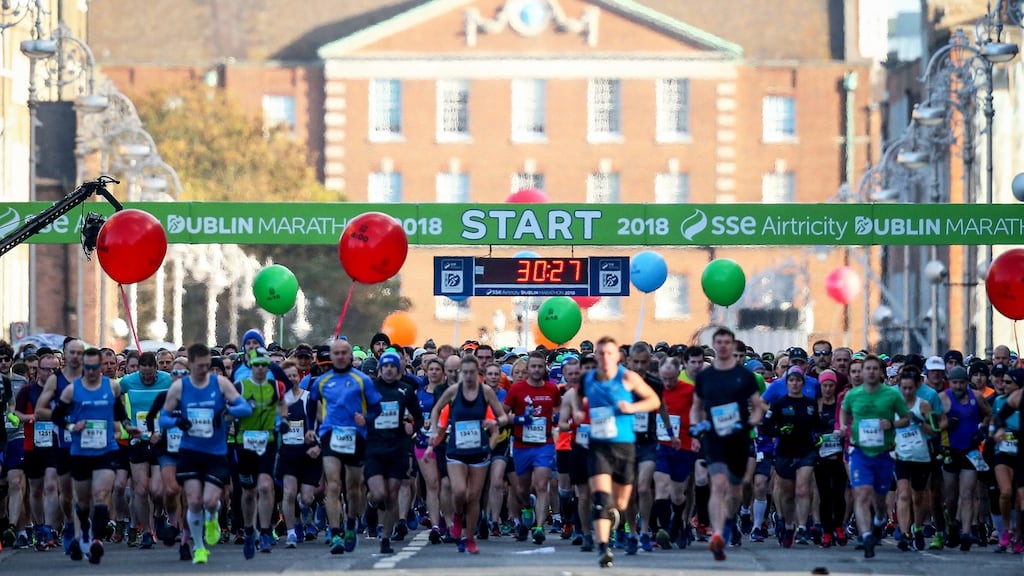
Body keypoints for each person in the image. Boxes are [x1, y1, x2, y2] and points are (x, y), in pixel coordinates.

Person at [570, 336, 662, 568]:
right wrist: (578, 412)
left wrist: (632, 407)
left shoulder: (628, 377)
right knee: (601, 499)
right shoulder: (588, 379)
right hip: (599, 446)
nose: (604, 358)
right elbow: (575, 398)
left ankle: (617, 516)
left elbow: (653, 401)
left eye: (609, 353)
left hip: (625, 446)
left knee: (621, 502)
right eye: (600, 354)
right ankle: (603, 548)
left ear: (618, 356)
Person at [159, 343, 253, 565]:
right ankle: (199, 548)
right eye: (200, 366)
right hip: (190, 451)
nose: (204, 370)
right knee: (193, 500)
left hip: (216, 452)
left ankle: (212, 518)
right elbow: (162, 419)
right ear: (190, 364)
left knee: (210, 501)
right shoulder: (179, 388)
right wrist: (177, 421)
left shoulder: (220, 383)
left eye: (207, 365)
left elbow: (245, 408)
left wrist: (226, 411)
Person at [50, 347, 135, 564]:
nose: (90, 371)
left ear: (100, 366)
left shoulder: (112, 386)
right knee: (83, 501)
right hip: (80, 452)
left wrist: (127, 425)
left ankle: (96, 541)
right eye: (86, 367)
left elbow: (118, 411)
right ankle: (85, 532)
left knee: (102, 494)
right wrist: (71, 426)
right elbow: (57, 416)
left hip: (106, 450)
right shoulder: (72, 390)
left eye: (94, 367)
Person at [689, 327, 764, 562]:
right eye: (718, 342)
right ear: (714, 345)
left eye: (726, 342)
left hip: (738, 438)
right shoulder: (705, 376)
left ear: (732, 346)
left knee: (735, 490)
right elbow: (696, 407)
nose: (722, 346)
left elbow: (758, 406)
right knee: (718, 484)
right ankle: (718, 534)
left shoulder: (744, 375)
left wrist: (748, 424)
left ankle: (729, 522)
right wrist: (695, 426)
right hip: (714, 437)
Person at [306, 339, 381, 555]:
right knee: (333, 485)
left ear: (350, 356)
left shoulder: (362, 380)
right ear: (331, 355)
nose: (339, 356)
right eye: (336, 353)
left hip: (356, 436)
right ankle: (336, 532)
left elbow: (376, 408)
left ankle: (350, 523)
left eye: (343, 353)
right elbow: (312, 404)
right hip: (331, 434)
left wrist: (365, 419)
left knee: (354, 487)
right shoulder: (322, 381)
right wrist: (311, 428)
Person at [428, 354, 508, 554]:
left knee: (474, 497)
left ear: (477, 373)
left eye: (473, 372)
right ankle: (457, 515)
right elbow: (436, 409)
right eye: (466, 372)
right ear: (460, 373)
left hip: (478, 450)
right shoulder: (453, 391)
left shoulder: (486, 391)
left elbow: (503, 416)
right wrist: (436, 431)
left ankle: (469, 537)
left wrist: (494, 423)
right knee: (460, 491)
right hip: (456, 450)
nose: (469, 376)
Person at [838, 355, 910, 559]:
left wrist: (893, 424)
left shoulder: (891, 395)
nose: (870, 372)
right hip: (860, 451)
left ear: (880, 372)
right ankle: (867, 535)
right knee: (861, 493)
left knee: (880, 499)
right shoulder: (853, 395)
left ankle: (879, 520)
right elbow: (844, 412)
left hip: (884, 453)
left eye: (874, 368)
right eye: (866, 368)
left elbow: (906, 418)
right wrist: (843, 426)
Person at [363, 350, 422, 555]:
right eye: (385, 366)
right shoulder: (370, 389)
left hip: (397, 447)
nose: (389, 369)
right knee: (379, 493)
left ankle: (386, 538)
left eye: (392, 366)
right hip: (374, 447)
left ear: (398, 370)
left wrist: (411, 427)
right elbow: (360, 412)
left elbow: (419, 418)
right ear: (380, 369)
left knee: (392, 494)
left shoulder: (405, 390)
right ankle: (371, 505)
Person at [233, 349, 286, 558]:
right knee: (248, 491)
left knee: (265, 486)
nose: (261, 368)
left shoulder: (274, 386)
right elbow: (228, 411)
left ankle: (265, 531)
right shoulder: (240, 386)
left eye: (265, 365)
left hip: (268, 442)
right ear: (250, 366)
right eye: (257, 365)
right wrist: (243, 409)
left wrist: (283, 421)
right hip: (244, 443)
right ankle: (248, 529)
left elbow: (282, 404)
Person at [33, 338, 85, 555]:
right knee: (66, 494)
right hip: (62, 443)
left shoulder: (92, 379)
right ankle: (69, 525)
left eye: (79, 353)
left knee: (83, 493)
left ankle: (81, 539)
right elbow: (39, 411)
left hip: (87, 443)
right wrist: (65, 418)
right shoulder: (56, 380)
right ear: (65, 355)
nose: (75, 357)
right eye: (71, 352)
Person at [503, 351, 561, 545]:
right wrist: (519, 419)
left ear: (545, 368)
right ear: (527, 370)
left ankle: (539, 527)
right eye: (533, 367)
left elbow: (558, 410)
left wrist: (556, 419)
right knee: (521, 489)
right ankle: (527, 507)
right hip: (521, 445)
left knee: (542, 485)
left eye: (540, 366)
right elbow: (503, 416)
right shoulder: (517, 390)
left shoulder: (552, 389)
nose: (536, 370)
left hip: (544, 444)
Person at [119, 351, 173, 549]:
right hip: (139, 440)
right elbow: (114, 396)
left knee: (158, 491)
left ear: (156, 369)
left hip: (160, 440)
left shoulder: (167, 380)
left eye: (150, 375)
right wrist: (125, 421)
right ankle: (147, 532)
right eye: (144, 375)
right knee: (140, 490)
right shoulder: (128, 381)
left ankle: (159, 515)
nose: (147, 378)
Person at [762, 366, 819, 547]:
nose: (795, 384)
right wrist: (779, 430)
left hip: (806, 451)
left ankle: (802, 527)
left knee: (802, 489)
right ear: (786, 384)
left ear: (803, 383)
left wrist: (829, 431)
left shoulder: (810, 404)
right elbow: (766, 426)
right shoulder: (779, 404)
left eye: (798, 380)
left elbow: (817, 423)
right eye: (791, 381)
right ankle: (787, 525)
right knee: (787, 493)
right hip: (785, 451)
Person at [940, 365, 992, 551]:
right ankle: (952, 524)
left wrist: (982, 430)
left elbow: (989, 415)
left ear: (966, 382)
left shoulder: (976, 397)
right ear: (950, 382)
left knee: (968, 493)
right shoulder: (944, 398)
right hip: (950, 452)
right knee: (951, 497)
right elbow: (932, 421)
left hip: (970, 451)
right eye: (955, 382)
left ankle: (966, 532)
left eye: (962, 382)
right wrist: (945, 425)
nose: (958, 386)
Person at [276, 360, 321, 548]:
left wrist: (318, 443)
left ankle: (305, 513)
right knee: (288, 493)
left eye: (294, 375)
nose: (292, 379)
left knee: (307, 498)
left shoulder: (309, 397)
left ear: (299, 376)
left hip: (308, 453)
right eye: (288, 376)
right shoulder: (279, 400)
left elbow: (322, 422)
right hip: (288, 453)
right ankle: (292, 532)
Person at [892, 368, 937, 552]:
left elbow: (934, 430)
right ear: (899, 387)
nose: (907, 392)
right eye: (904, 388)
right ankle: (904, 533)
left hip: (920, 456)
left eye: (911, 388)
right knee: (903, 493)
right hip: (900, 455)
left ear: (916, 387)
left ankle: (917, 527)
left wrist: (919, 421)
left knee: (918, 497)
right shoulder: (893, 405)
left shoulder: (924, 405)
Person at [651, 355, 692, 551]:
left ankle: (678, 523)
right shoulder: (654, 390)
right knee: (661, 485)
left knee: (677, 494)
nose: (667, 383)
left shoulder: (689, 391)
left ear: (679, 372)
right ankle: (664, 530)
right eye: (664, 379)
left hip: (683, 446)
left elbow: (699, 413)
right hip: (661, 445)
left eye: (671, 379)